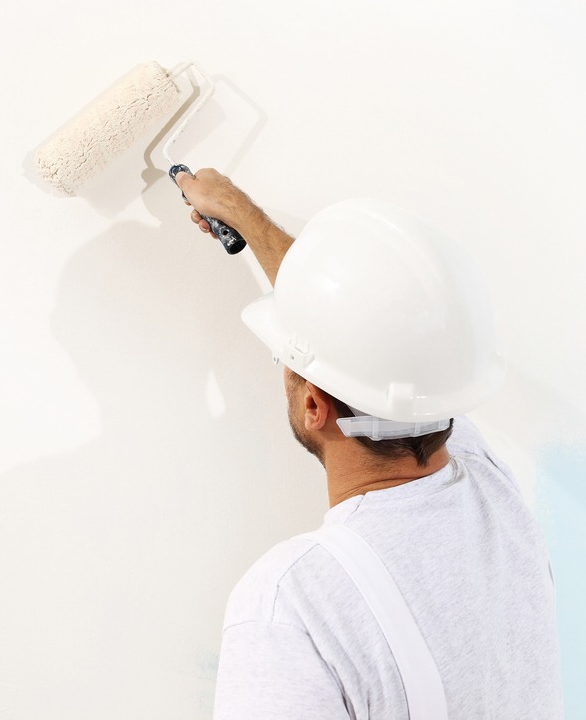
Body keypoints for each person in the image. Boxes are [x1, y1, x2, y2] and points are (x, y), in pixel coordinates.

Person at [175, 168, 564, 719]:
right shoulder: (491, 491)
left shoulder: (295, 603)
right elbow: (389, 337)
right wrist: (240, 212)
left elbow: (376, 345)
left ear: (314, 405)